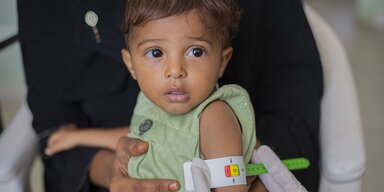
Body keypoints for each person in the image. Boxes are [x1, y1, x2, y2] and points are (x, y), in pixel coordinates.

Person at [17, 0, 322, 191]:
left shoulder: (215, 118)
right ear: (130, 63)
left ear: (222, 61)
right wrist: (79, 139)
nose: (175, 70)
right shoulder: (150, 106)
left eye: (195, 51)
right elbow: (138, 138)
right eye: (155, 53)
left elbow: (231, 185)